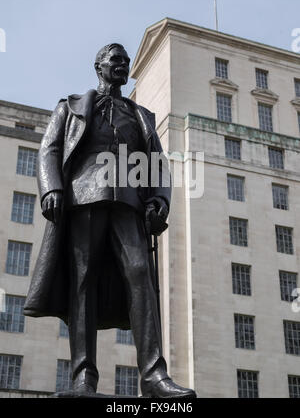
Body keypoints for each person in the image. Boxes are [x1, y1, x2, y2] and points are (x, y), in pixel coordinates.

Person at [24, 43, 196, 398]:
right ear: (98, 67)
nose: (123, 65)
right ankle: (83, 378)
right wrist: (51, 188)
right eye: (115, 60)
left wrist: (160, 199)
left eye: (126, 61)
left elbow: (158, 163)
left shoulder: (142, 115)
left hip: (130, 204)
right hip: (84, 198)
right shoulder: (69, 107)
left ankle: (153, 376)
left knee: (140, 276)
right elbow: (49, 149)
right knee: (82, 282)